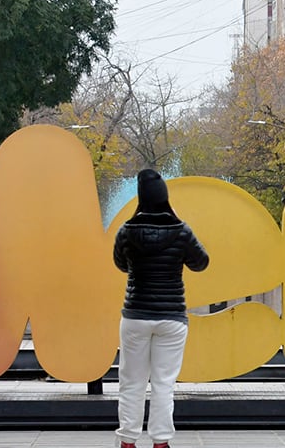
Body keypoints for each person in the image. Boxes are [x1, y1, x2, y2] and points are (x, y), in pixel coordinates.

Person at [112, 168, 210, 448]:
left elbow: (120, 264)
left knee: (131, 382)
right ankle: (161, 442)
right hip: (171, 318)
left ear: (140, 198)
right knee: (163, 383)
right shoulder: (181, 230)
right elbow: (201, 262)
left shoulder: (127, 231)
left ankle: (128, 441)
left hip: (135, 316)